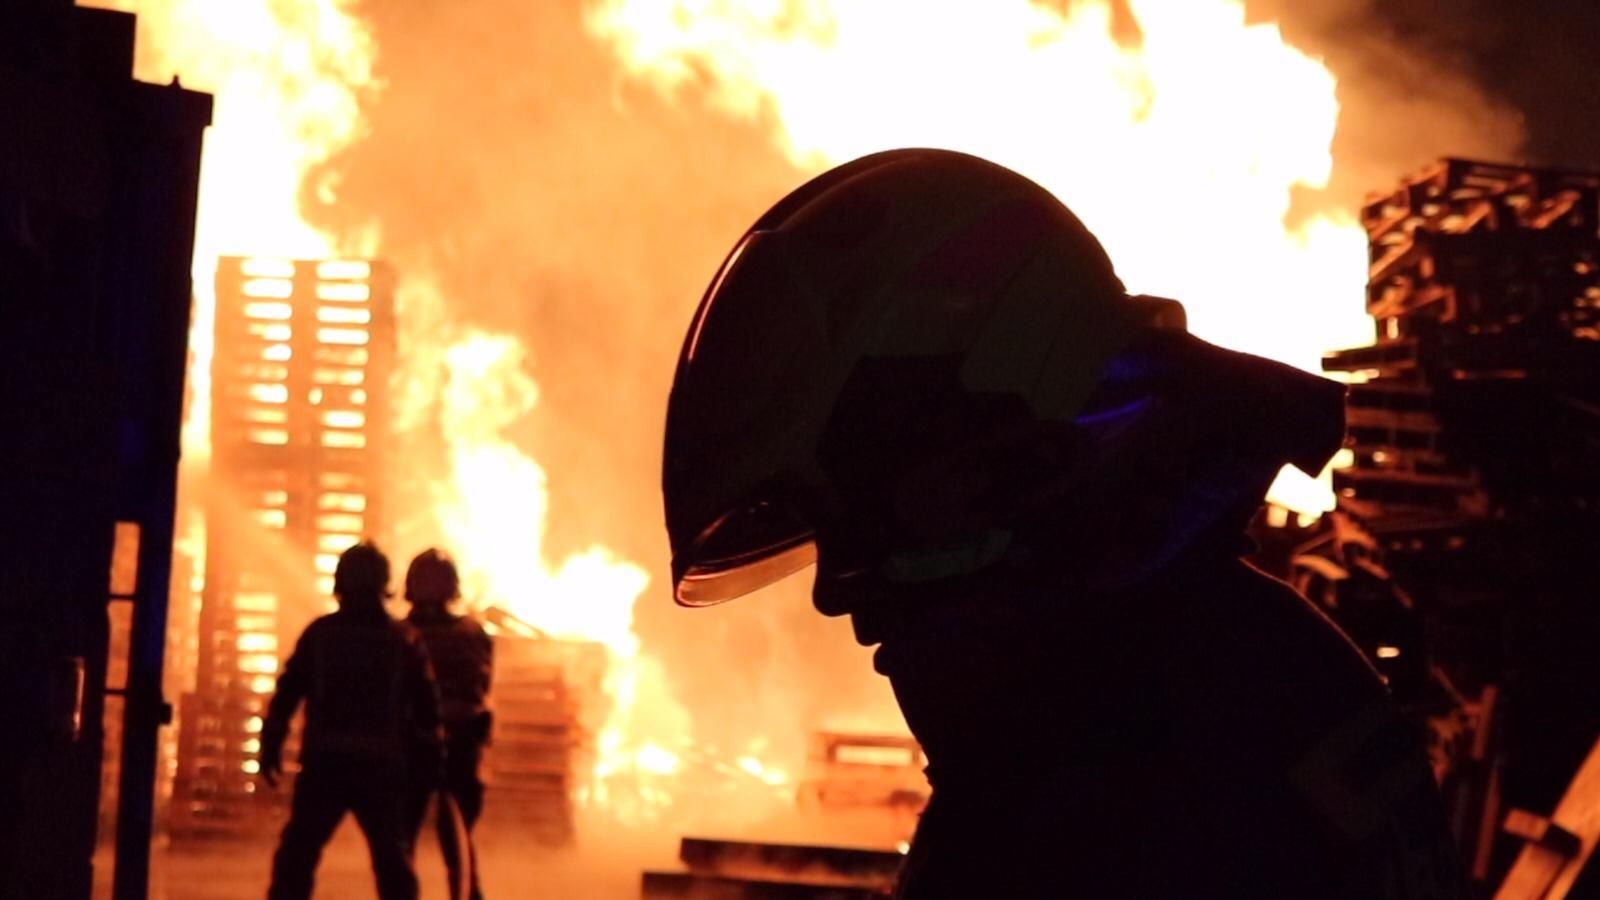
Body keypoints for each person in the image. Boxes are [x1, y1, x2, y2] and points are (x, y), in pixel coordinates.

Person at [660, 149, 1471, 898]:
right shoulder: (1230, 668)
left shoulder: (1109, 776)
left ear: (1012, 456)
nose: (840, 598)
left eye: (872, 518)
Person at [261, 541, 440, 900]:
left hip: (325, 766)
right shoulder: (403, 639)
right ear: (384, 586)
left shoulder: (321, 634)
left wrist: (271, 746)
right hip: (382, 768)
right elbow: (428, 712)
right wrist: (431, 766)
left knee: (297, 858)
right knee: (393, 864)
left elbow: (287, 695)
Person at [401, 548, 493, 900]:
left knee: (402, 840)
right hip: (462, 745)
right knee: (459, 839)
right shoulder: (473, 633)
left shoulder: (401, 634)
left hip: (414, 745)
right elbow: (481, 689)